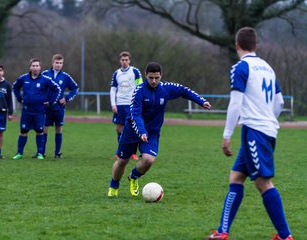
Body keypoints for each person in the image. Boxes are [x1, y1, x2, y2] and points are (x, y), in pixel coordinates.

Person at [206, 27, 293, 240]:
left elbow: (236, 103)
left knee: (263, 182)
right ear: (256, 46)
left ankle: (285, 235)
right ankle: (223, 231)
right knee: (236, 177)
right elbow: (279, 101)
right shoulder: (268, 68)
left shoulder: (240, 67)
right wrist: (269, 119)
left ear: (237, 45)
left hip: (255, 130)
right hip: (266, 129)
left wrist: (227, 134)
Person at [108, 62, 211, 197]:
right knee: (122, 160)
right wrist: (141, 131)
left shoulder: (165, 88)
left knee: (149, 160)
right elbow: (135, 114)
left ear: (161, 75)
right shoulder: (139, 91)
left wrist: (201, 101)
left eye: (157, 77)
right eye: (151, 78)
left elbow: (184, 91)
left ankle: (133, 177)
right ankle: (114, 186)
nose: (154, 81)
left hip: (152, 133)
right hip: (132, 131)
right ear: (146, 75)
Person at [12, 58, 61, 160]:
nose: (35, 68)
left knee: (39, 131)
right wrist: (20, 98)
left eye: (37, 66)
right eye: (33, 66)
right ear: (30, 67)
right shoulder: (24, 78)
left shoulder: (45, 79)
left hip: (39, 111)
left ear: (40, 67)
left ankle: (39, 153)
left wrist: (51, 102)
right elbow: (15, 87)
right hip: (26, 110)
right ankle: (19, 153)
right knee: (23, 131)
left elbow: (57, 89)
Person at [41, 54, 79, 158]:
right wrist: (42, 99)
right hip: (46, 107)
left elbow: (75, 88)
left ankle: (57, 153)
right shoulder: (44, 74)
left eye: (60, 63)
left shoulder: (65, 76)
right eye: (57, 63)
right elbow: (39, 88)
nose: (58, 65)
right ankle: (41, 152)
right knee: (44, 128)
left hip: (58, 107)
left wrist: (66, 98)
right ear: (52, 63)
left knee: (59, 128)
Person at [110, 51, 143, 161]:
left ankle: (133, 153)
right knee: (118, 129)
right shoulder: (116, 73)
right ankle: (120, 152)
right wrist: (113, 104)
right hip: (119, 104)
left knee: (131, 128)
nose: (124, 62)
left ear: (129, 60)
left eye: (126, 60)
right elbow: (113, 89)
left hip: (131, 104)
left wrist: (138, 103)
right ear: (120, 61)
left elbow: (140, 87)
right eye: (122, 60)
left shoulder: (135, 72)